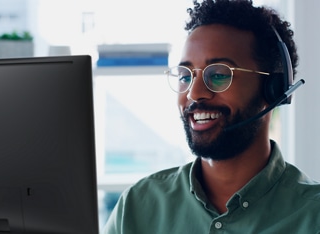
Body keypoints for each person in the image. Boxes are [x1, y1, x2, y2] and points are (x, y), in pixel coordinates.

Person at [103, 0, 320, 233]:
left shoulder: (312, 216)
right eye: (186, 76)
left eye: (218, 75)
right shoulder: (138, 206)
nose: (194, 93)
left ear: (273, 89)